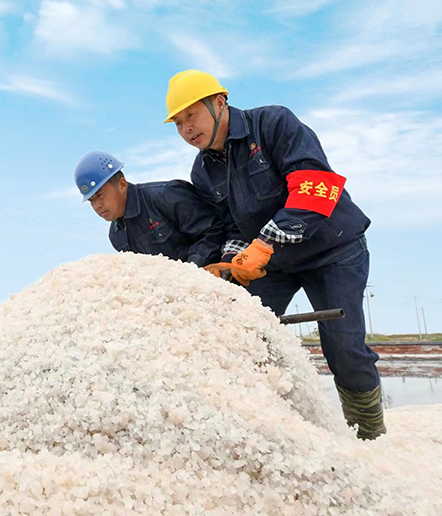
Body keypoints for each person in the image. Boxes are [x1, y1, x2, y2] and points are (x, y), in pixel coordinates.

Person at [164, 69, 385, 439]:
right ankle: (272, 428)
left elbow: (316, 186)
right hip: (276, 263)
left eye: (192, 115)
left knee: (343, 348)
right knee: (244, 335)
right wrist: (233, 259)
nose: (187, 128)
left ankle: (369, 433)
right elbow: (232, 223)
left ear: (220, 102)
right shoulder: (203, 171)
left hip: (333, 250)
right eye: (179, 122)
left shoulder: (273, 124)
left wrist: (265, 244)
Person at [75, 150, 223, 267]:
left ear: (122, 185)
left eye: (100, 195)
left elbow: (214, 232)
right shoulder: (116, 236)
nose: (97, 206)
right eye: (91, 201)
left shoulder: (166, 195)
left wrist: (190, 271)